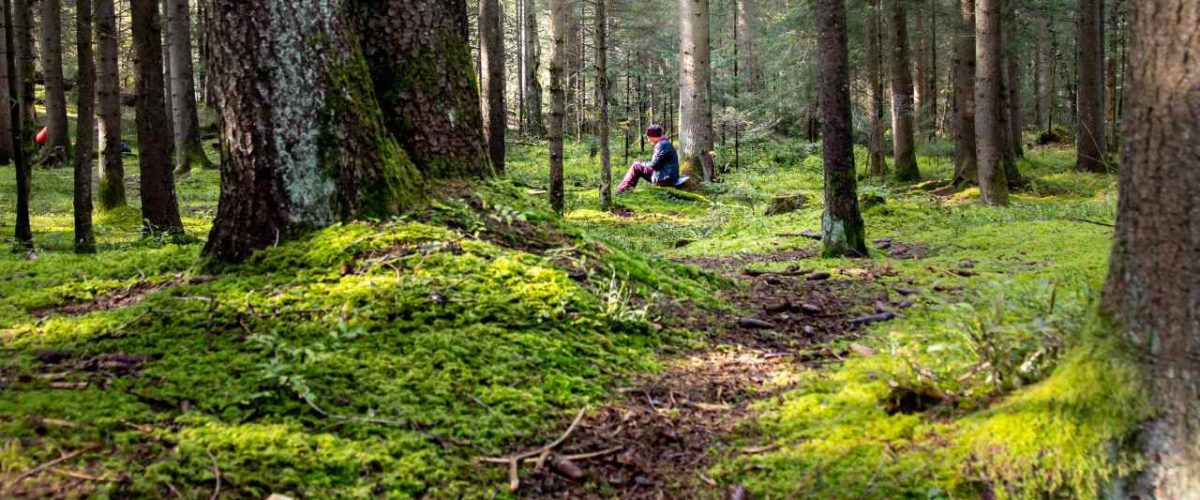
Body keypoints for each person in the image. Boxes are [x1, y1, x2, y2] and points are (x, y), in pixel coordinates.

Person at [616, 124, 679, 195]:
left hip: (664, 178)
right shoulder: (665, 143)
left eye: (649, 137)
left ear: (654, 136)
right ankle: (623, 190)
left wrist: (643, 164)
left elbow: (654, 165)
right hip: (667, 176)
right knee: (637, 165)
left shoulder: (661, 145)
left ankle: (621, 191)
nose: (648, 140)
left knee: (636, 166)